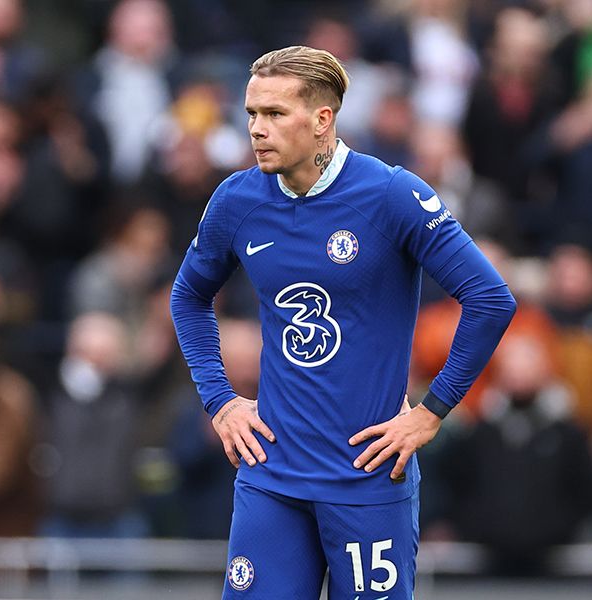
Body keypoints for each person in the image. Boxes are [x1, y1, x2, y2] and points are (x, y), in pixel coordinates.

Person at [169, 46, 516, 598]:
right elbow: (188, 296)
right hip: (271, 474)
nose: (257, 129)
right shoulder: (237, 200)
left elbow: (490, 299)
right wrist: (221, 400)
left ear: (323, 119)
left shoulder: (390, 194)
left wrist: (431, 414)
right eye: (252, 112)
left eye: (275, 114)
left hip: (368, 478)